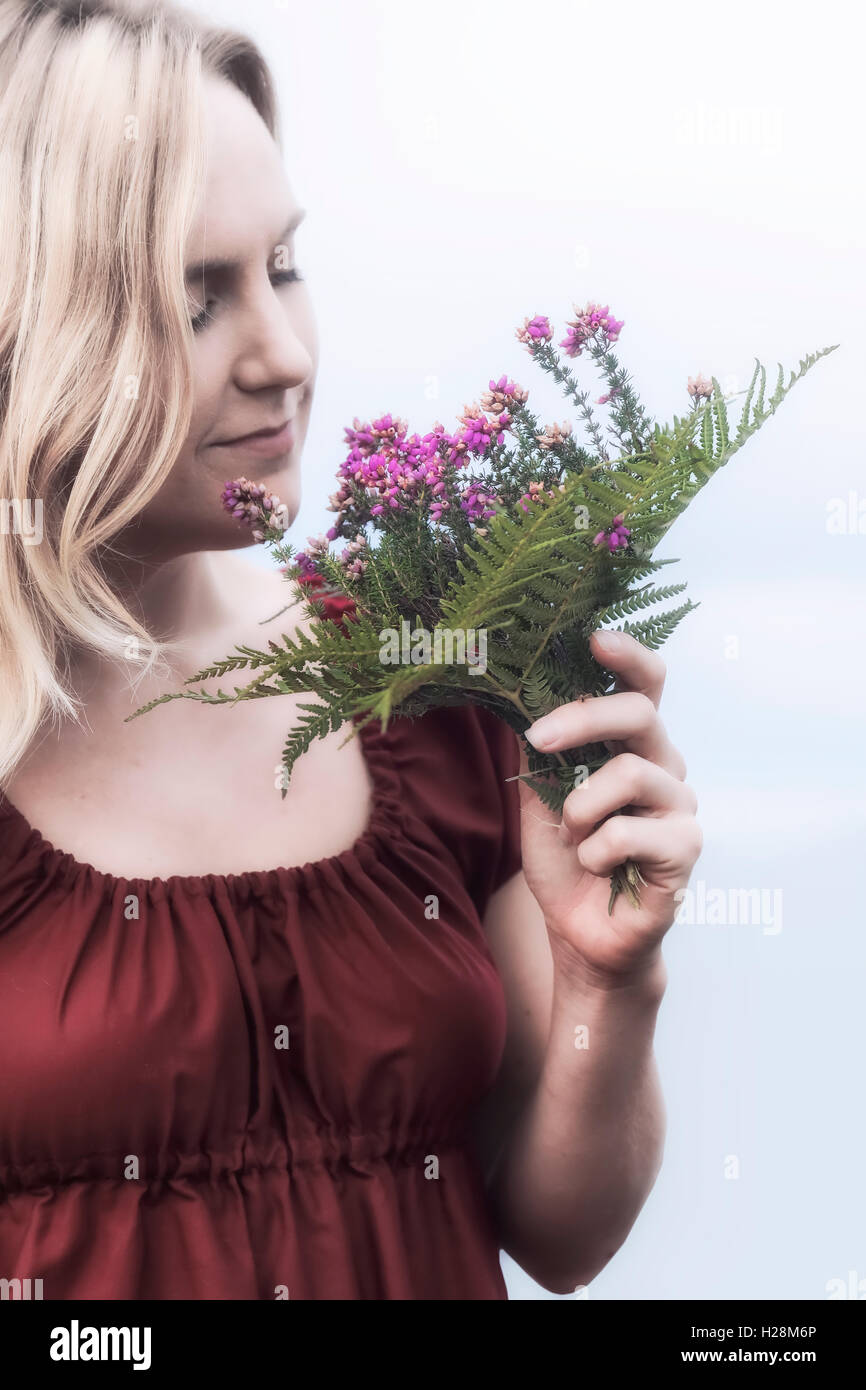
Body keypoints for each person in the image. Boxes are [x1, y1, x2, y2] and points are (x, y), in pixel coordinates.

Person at [0, 0, 702, 1300]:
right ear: (39, 331)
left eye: (282, 264)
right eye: (195, 298)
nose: (283, 352)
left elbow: (559, 1230)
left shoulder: (427, 679)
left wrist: (616, 970)